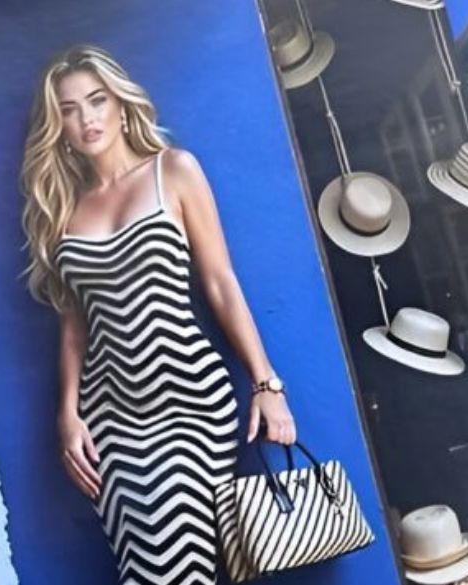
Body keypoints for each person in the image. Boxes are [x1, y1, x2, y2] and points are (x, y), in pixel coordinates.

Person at [19, 45, 299, 584]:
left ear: (121, 105)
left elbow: (220, 283)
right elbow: (74, 326)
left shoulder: (173, 170)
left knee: (176, 565)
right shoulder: (63, 209)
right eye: (69, 110)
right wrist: (68, 413)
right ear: (59, 127)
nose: (86, 118)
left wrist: (266, 383)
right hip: (110, 420)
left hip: (190, 402)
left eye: (97, 101)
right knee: (147, 566)